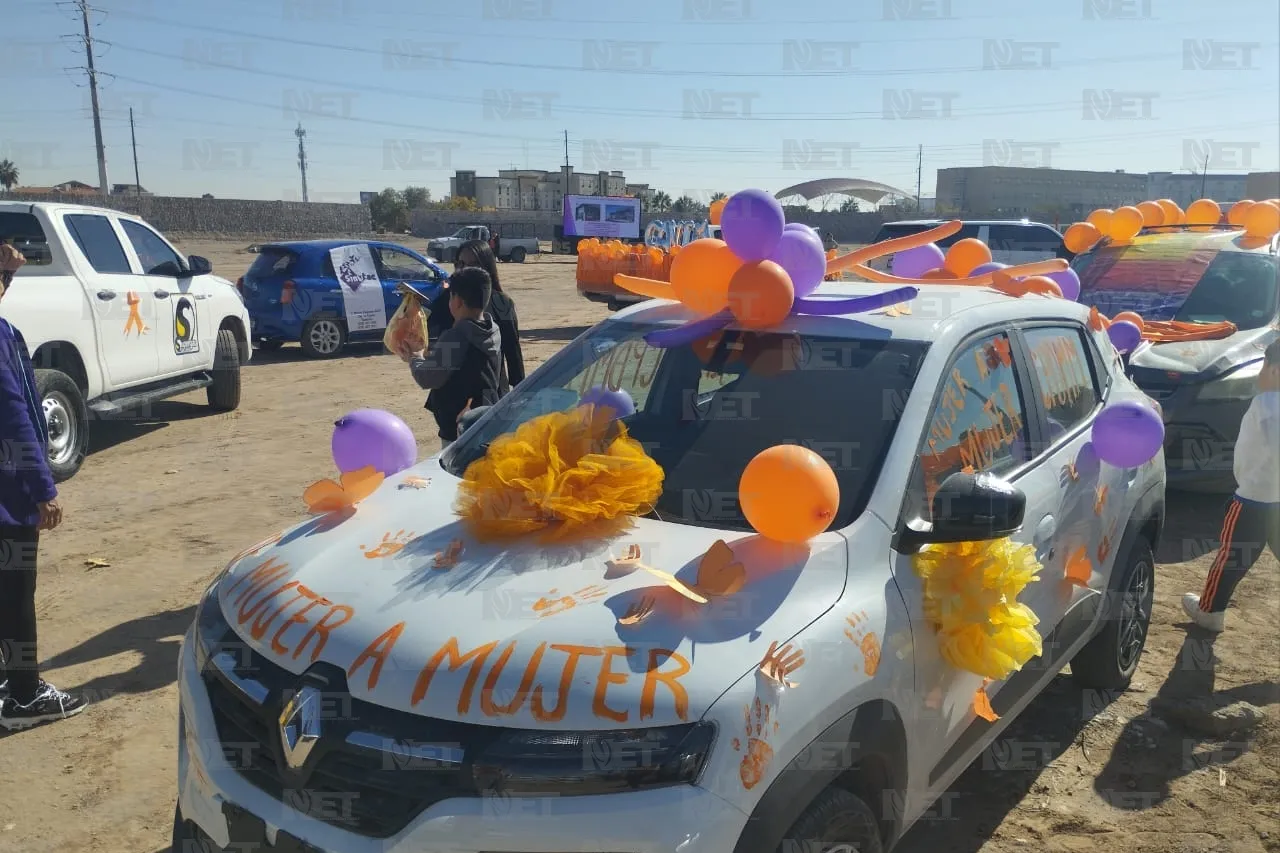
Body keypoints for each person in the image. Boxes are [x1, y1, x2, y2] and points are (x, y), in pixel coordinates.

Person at [0, 242, 87, 730]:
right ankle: (25, 695)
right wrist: (42, 488)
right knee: (15, 593)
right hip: (8, 499)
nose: (6, 285)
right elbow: (13, 417)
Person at [1182, 339, 1280, 632]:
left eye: (1263, 366)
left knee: (1231, 559)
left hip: (1253, 498)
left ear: (1274, 371)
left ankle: (1210, 611)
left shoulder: (1267, 403)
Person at [400, 266, 502, 448]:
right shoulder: (491, 329)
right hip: (485, 417)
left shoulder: (457, 336)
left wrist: (415, 357)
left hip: (460, 425)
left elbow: (428, 377)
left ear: (458, 301)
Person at [426, 239, 525, 394]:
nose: (464, 270)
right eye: (460, 264)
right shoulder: (447, 299)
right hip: (451, 394)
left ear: (486, 268)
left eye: (473, 265)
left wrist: (521, 393)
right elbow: (428, 335)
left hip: (489, 394)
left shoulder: (502, 304)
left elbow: (513, 353)